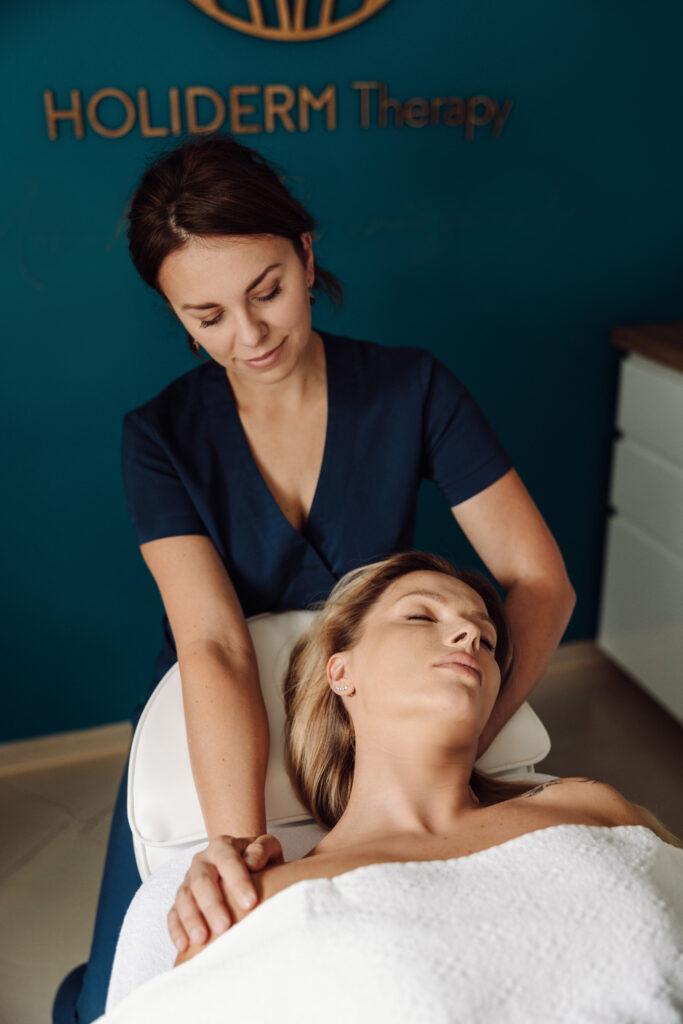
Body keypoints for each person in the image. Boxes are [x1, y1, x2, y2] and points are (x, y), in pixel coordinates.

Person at [54, 134, 577, 1022]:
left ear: (304, 252)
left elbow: (538, 580)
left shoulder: (413, 388)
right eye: (207, 316)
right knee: (139, 982)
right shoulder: (159, 437)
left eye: (267, 291)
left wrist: (461, 738)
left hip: (376, 709)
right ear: (175, 312)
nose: (249, 336)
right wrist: (235, 844)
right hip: (218, 722)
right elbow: (214, 644)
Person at [100, 552, 682, 1023]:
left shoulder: (588, 805)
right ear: (342, 671)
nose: (469, 636)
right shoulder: (257, 900)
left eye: (485, 639)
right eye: (422, 617)